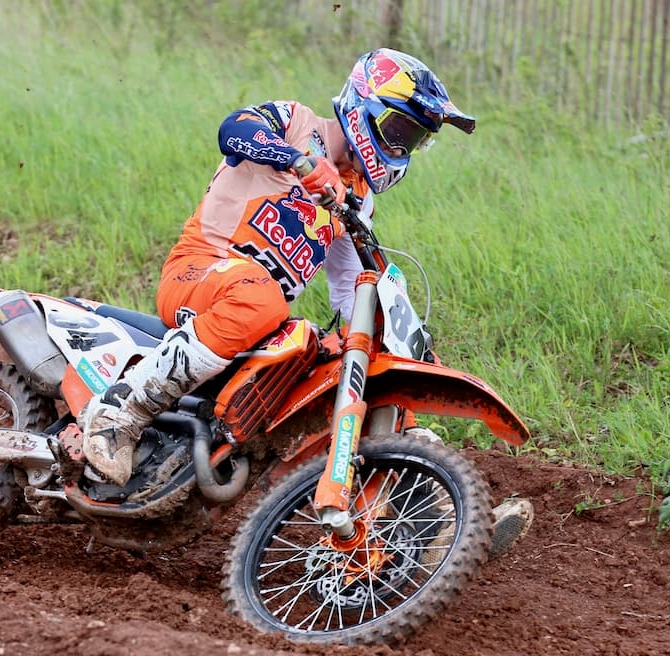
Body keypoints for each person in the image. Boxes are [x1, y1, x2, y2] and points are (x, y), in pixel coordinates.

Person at [77, 48, 533, 556]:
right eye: (401, 131)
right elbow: (234, 130)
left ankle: (440, 519)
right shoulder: (295, 123)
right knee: (265, 303)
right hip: (201, 271)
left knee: (343, 358)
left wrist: (399, 334)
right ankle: (121, 411)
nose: (404, 147)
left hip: (252, 309)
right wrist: (299, 160)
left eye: (416, 140)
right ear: (365, 107)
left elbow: (350, 285)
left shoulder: (356, 198)